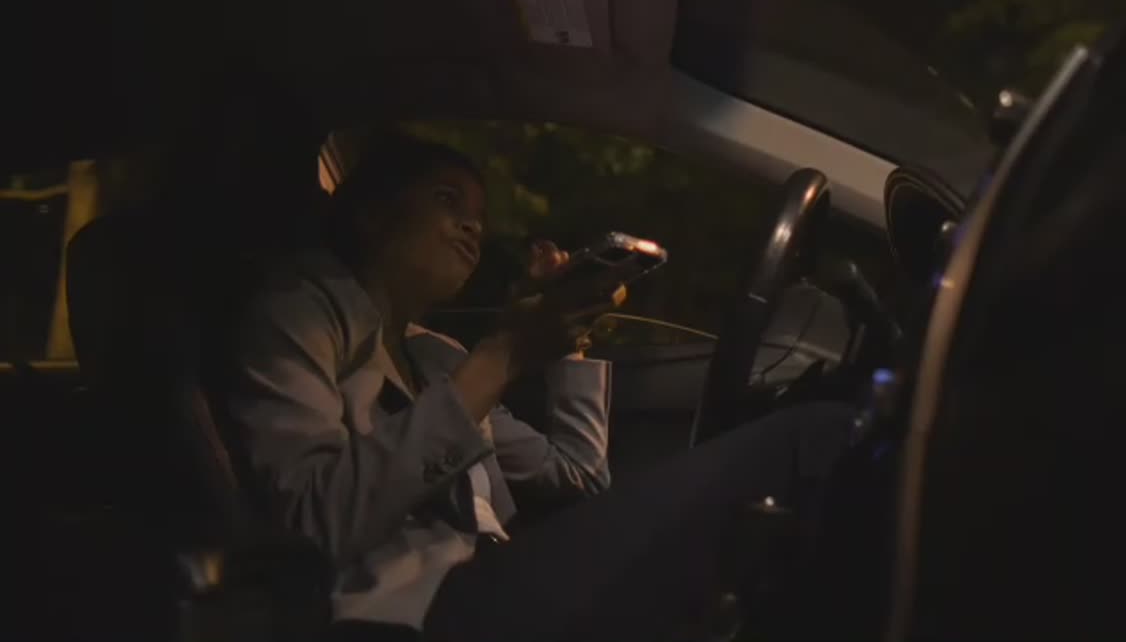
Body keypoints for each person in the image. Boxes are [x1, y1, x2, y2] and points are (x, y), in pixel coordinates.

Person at [224, 128, 855, 641]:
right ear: (371, 215)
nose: (473, 227)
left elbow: (580, 480)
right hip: (415, 613)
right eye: (447, 201)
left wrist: (565, 342)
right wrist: (502, 355)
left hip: (499, 574)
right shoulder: (302, 308)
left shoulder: (438, 357)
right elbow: (313, 525)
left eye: (480, 217)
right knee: (809, 443)